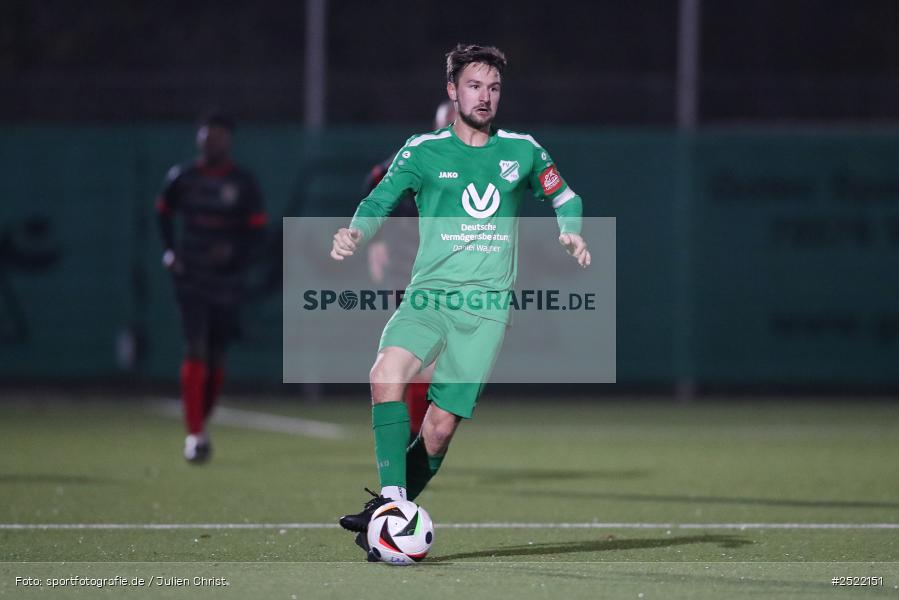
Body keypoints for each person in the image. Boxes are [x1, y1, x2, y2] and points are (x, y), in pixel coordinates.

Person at [330, 44, 590, 559]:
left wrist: (572, 232)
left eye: (493, 87)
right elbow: (378, 198)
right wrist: (355, 233)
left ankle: (387, 508)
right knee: (386, 375)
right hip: (428, 298)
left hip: (486, 311)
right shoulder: (421, 151)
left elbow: (565, 195)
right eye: (474, 86)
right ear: (452, 91)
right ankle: (393, 505)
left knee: (439, 430)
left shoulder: (523, 150)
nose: (485, 96)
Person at [156, 113, 267, 463]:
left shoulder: (243, 182)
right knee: (196, 347)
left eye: (217, 137)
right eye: (206, 136)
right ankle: (194, 435)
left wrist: (234, 252)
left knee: (217, 355)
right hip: (192, 276)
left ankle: (199, 424)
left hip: (228, 280)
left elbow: (257, 231)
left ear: (228, 141)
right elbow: (162, 213)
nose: (210, 142)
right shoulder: (182, 178)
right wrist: (171, 251)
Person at [364, 99, 458, 438]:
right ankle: (410, 435)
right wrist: (375, 242)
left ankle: (410, 433)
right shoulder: (417, 156)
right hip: (408, 268)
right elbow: (375, 181)